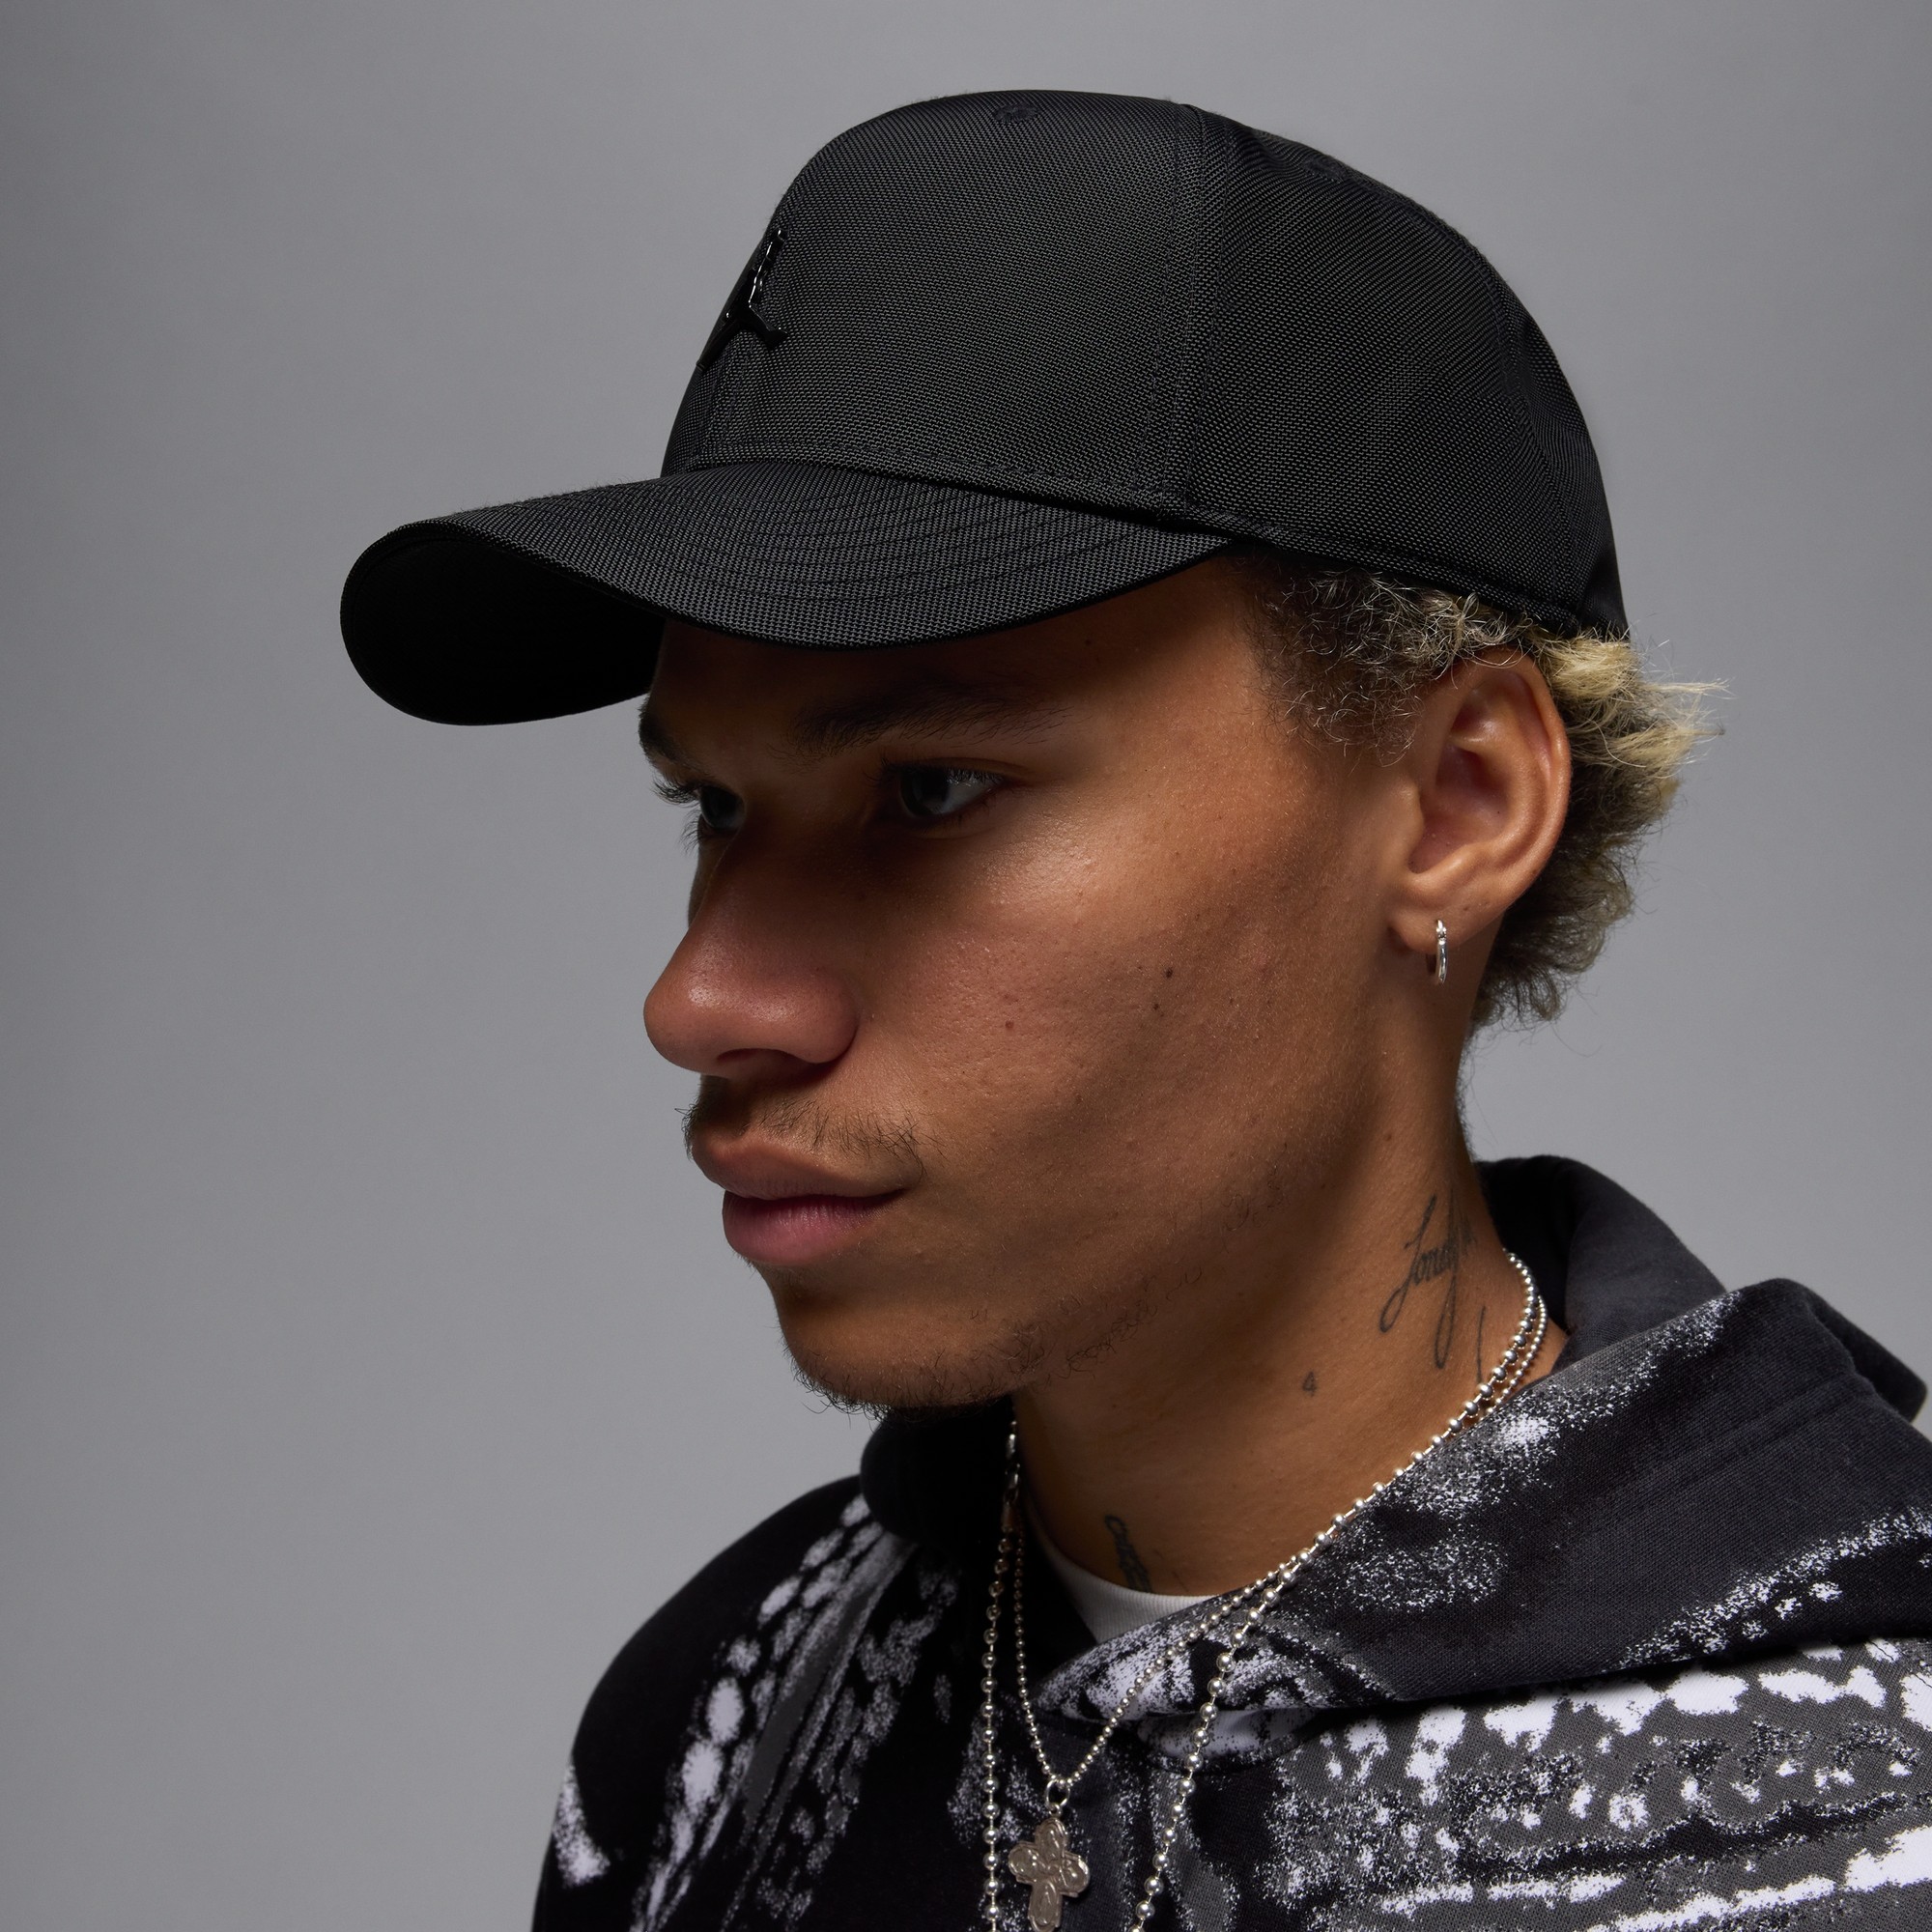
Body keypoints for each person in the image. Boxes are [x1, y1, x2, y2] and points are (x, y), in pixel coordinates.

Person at [341, 90, 1932, 1932]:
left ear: (1456, 805)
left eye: (931, 788)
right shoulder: (715, 1730)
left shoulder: (1871, 1807)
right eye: (717, 807)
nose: (701, 999)